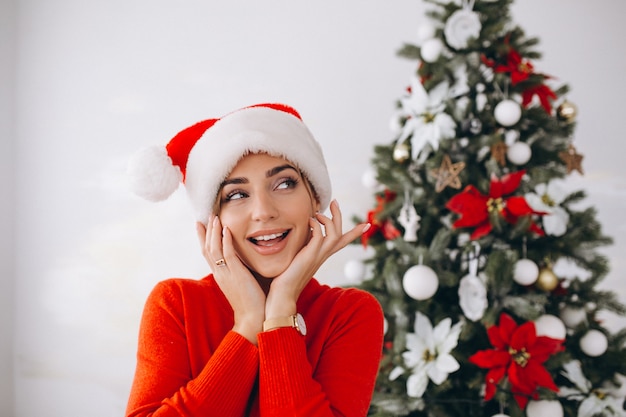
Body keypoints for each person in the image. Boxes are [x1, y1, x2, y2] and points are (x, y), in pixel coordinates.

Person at [125, 103, 384, 417]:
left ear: (314, 199)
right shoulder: (176, 304)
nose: (264, 211)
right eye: (236, 195)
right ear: (212, 221)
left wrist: (281, 312)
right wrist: (247, 325)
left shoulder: (349, 314)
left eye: (284, 184)